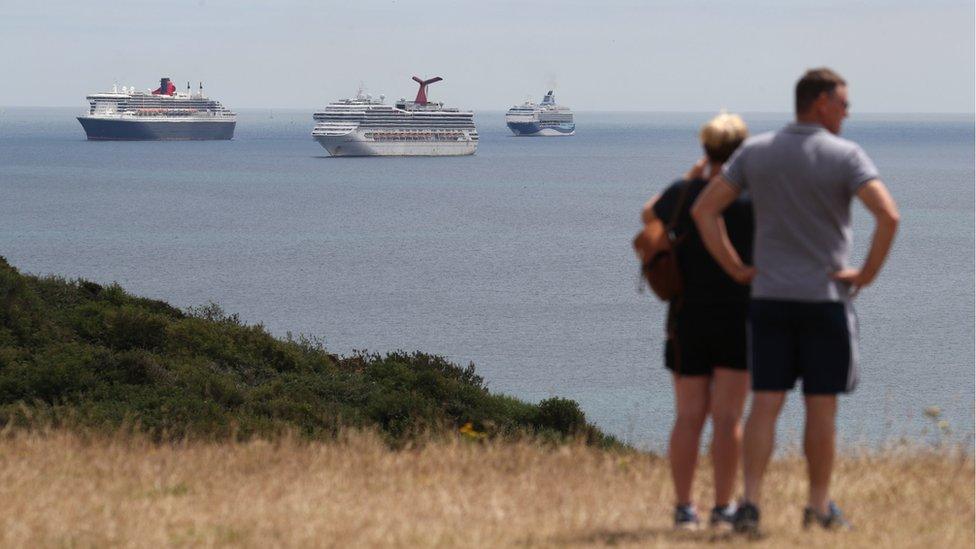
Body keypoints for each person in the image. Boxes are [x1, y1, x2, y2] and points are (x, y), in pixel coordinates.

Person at [691, 68, 900, 535]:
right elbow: (888, 215)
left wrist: (735, 267)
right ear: (822, 102)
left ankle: (749, 505)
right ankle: (819, 507)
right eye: (844, 104)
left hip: (769, 300)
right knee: (821, 408)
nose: (847, 113)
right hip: (825, 300)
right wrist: (866, 274)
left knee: (765, 404)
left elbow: (704, 210)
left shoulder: (756, 152)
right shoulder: (846, 155)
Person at [640, 112, 752, 531]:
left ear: (705, 148)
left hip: (687, 320)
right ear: (743, 150)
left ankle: (684, 508)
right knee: (728, 419)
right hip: (740, 318)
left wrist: (690, 178)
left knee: (688, 416)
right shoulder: (753, 197)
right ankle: (723, 509)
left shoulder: (684, 193)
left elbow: (647, 214)